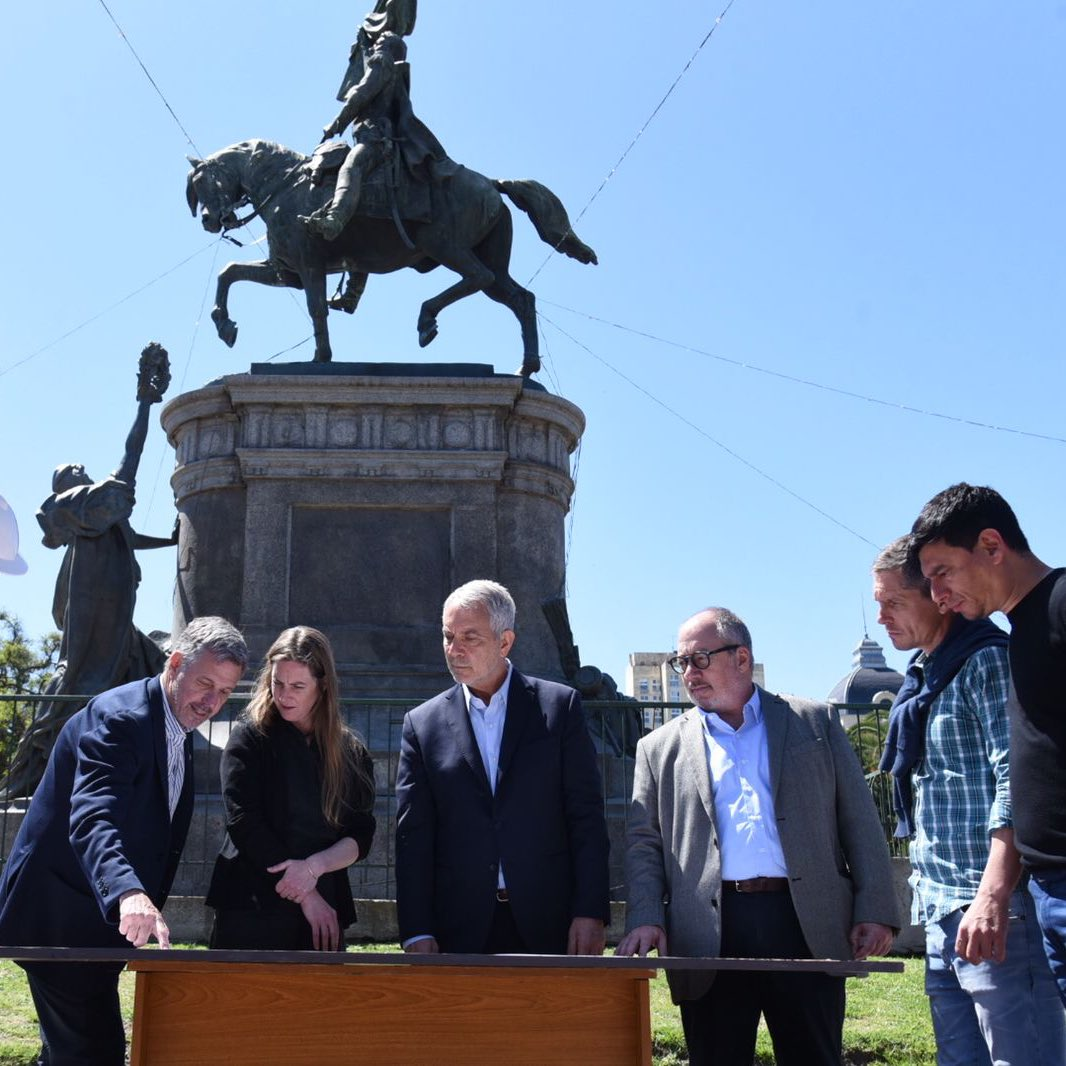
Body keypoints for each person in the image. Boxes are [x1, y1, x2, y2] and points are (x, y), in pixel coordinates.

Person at [617, 607, 899, 1066]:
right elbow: (644, 844)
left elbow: (860, 822)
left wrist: (876, 909)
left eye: (700, 658)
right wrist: (647, 915)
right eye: (680, 662)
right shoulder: (658, 748)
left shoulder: (814, 722)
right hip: (708, 933)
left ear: (742, 658)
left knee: (814, 1056)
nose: (689, 672)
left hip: (804, 922)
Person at [0, 616, 247, 1066]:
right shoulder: (121, 718)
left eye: (226, 692)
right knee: (95, 1053)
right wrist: (129, 891)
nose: (212, 702)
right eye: (205, 683)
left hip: (95, 927)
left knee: (70, 1050)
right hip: (59, 921)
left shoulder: (176, 722)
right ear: (175, 664)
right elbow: (93, 815)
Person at [873, 536, 1065, 1065]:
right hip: (939, 908)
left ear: (935, 597)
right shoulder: (922, 677)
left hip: (995, 912)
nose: (883, 617)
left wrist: (991, 898)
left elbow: (1016, 781)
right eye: (878, 604)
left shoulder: (987, 662)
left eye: (893, 602)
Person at [395, 579, 610, 955]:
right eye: (448, 636)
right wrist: (416, 929)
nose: (454, 650)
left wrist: (590, 911)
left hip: (550, 923)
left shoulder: (559, 708)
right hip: (457, 929)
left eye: (470, 638)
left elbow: (586, 817)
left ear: (505, 641)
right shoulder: (422, 724)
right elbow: (413, 837)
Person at [910, 483, 1066, 1003]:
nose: (937, 597)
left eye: (942, 573)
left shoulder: (1061, 606)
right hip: (1048, 884)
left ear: (992, 546)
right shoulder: (1018, 632)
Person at [1, 342, 176, 799]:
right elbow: (130, 461)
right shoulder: (80, 506)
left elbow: (130, 537)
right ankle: (42, 782)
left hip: (116, 629)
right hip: (98, 638)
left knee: (152, 671)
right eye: (73, 469)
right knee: (77, 696)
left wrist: (174, 541)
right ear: (65, 488)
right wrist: (144, 402)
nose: (82, 469)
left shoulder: (98, 524)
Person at [206, 626, 376, 952]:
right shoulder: (249, 739)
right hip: (251, 904)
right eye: (278, 683)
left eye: (298, 686)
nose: (284, 695)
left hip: (322, 908)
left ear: (323, 687)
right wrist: (305, 893)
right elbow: (243, 822)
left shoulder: (349, 751)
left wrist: (314, 869)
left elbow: (361, 834)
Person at [302, 27, 452, 241]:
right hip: (380, 137)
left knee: (352, 166)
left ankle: (335, 219)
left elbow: (362, 94)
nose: (376, 43)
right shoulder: (393, 70)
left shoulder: (382, 61)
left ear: (387, 47)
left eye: (380, 40)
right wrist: (363, 45)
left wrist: (337, 123)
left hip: (375, 138)